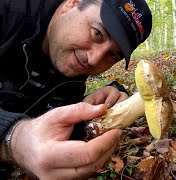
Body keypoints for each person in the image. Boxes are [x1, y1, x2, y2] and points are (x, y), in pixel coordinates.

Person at [0, 0, 152, 179]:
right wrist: (13, 139)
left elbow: (45, 122)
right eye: (97, 33)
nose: (94, 59)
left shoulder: (73, 72)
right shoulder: (8, 13)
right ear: (72, 4)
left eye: (112, 55)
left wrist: (92, 107)